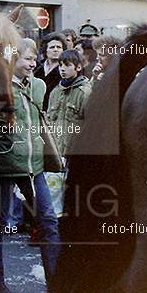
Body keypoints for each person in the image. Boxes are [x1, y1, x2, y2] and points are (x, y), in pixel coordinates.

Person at [0, 38, 59, 293]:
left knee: (48, 221)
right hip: (4, 164)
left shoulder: (38, 86)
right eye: (27, 58)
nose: (32, 62)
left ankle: (58, 282)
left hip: (33, 165)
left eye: (34, 58)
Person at [45, 49, 92, 216]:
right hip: (55, 153)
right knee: (52, 195)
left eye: (67, 65)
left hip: (73, 154)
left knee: (71, 196)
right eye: (60, 65)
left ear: (78, 67)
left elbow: (90, 126)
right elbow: (49, 120)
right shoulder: (55, 92)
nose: (62, 69)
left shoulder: (85, 92)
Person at [33, 32, 66, 111]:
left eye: (58, 47)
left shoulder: (65, 70)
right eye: (52, 47)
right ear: (45, 50)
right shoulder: (36, 68)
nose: (55, 50)